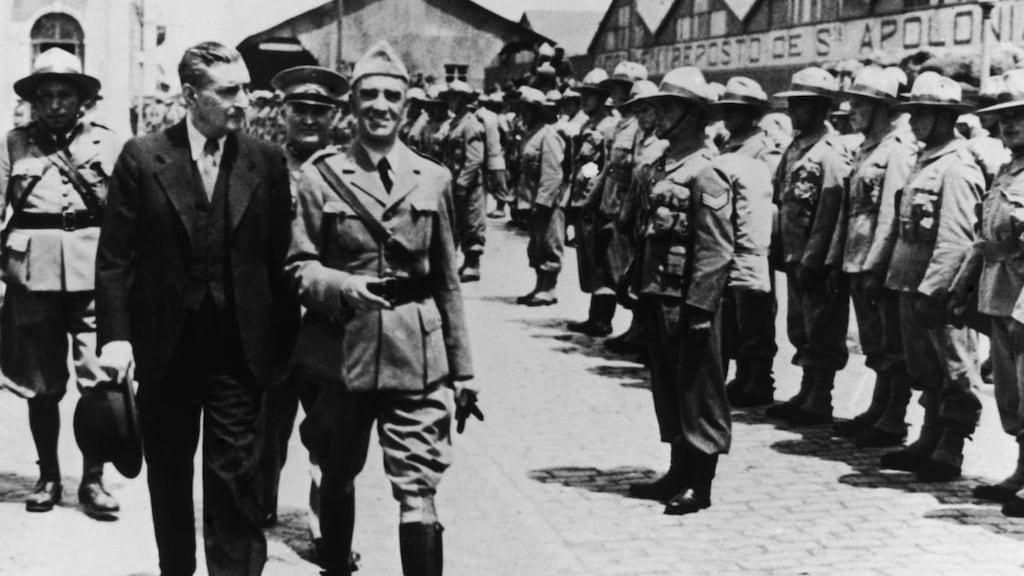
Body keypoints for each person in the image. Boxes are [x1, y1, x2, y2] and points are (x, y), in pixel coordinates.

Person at [96, 41, 294, 576]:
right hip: (166, 353)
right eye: (228, 91)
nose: (243, 101)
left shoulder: (265, 161)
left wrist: (282, 350)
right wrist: (116, 339)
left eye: (246, 88)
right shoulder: (143, 157)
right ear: (190, 95)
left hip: (238, 353)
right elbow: (115, 258)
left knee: (235, 480)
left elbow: (280, 260)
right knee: (168, 476)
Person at [287, 41, 476, 576]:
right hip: (339, 353)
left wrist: (464, 370)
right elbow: (298, 265)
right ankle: (335, 565)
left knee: (418, 486)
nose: (380, 105)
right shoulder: (321, 176)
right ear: (352, 104)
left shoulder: (433, 178)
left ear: (407, 106)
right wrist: (342, 286)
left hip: (416, 353)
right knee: (337, 469)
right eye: (368, 94)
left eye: (392, 96)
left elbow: (447, 280)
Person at [624, 66, 764, 515]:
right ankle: (677, 471)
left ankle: (699, 484)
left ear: (694, 116)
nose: (659, 116)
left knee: (699, 390)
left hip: (689, 299)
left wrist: (701, 307)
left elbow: (717, 248)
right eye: (660, 107)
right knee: (668, 386)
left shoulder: (708, 171)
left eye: (669, 108)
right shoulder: (661, 165)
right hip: (657, 292)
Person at [0, 47, 123, 518]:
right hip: (32, 275)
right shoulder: (13, 144)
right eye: (45, 96)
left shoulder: (108, 144)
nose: (54, 104)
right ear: (33, 100)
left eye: (64, 95)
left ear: (81, 99)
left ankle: (93, 479)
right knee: (41, 384)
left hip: (94, 274)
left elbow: (126, 216)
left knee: (98, 379)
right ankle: (48, 475)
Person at [255, 64, 348, 559]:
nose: (309, 119)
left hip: (327, 320)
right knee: (267, 425)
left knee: (329, 429)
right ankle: (259, 508)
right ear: (283, 113)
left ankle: (326, 528)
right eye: (300, 109)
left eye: (320, 110)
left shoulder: (348, 172)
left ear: (335, 116)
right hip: (273, 317)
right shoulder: (262, 166)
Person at [876, 71, 984, 481]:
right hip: (910, 284)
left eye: (922, 113)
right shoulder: (925, 160)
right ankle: (929, 438)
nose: (913, 120)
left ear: (945, 117)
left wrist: (934, 291)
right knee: (925, 369)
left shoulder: (957, 167)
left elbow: (957, 238)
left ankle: (950, 448)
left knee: (956, 371)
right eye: (912, 112)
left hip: (938, 293)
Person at [826, 67, 918, 447]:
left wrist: (876, 267)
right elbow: (849, 212)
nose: (852, 111)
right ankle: (878, 408)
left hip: (876, 264)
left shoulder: (897, 150)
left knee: (890, 344)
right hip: (856, 259)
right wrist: (837, 259)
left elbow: (891, 215)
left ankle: (893, 416)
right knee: (875, 343)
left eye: (861, 104)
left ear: (883, 108)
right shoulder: (867, 148)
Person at [765, 67, 853, 425]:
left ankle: (820, 397)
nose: (792, 111)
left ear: (821, 108)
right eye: (792, 104)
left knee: (823, 328)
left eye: (800, 104)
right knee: (800, 326)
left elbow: (830, 213)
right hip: (794, 254)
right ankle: (806, 390)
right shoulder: (796, 146)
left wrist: (815, 260)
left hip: (816, 259)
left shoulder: (831, 153)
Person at [963, 69, 1024, 515]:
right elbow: (987, 238)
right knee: (1012, 394)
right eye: (1005, 118)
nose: (1010, 125)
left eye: (1020, 116)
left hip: (1021, 303)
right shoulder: (1007, 171)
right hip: (1001, 295)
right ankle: (1022, 471)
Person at [714, 76, 781, 407]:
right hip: (726, 239)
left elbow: (772, 198)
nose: (729, 115)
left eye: (737, 109)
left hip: (753, 243)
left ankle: (759, 376)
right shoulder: (728, 144)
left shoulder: (764, 149)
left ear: (754, 113)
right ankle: (743, 374)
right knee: (732, 312)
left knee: (755, 310)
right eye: (726, 108)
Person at [570, 61, 647, 337]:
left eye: (620, 87)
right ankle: (599, 317)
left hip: (624, 208)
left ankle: (633, 329)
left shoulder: (634, 126)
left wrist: (586, 175)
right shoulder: (614, 126)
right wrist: (589, 194)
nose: (615, 93)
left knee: (624, 270)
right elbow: (605, 167)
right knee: (602, 263)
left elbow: (616, 168)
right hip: (606, 202)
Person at [513, 87, 566, 307]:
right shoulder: (530, 134)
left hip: (545, 202)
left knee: (549, 243)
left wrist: (543, 201)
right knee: (536, 245)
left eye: (528, 110)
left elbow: (553, 172)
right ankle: (539, 285)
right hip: (529, 199)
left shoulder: (548, 135)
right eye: (522, 110)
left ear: (538, 111)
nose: (523, 114)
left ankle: (549, 288)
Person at [439, 80, 486, 282]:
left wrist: (463, 183)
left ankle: (473, 264)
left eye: (453, 98)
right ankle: (464, 263)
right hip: (454, 182)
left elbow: (474, 159)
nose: (450, 102)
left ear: (463, 100)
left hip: (468, 185)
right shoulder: (455, 123)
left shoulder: (471, 124)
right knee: (457, 222)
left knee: (471, 222)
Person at [566, 69, 616, 250]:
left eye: (590, 95)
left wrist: (586, 174)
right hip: (581, 200)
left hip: (596, 204)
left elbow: (606, 167)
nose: (584, 99)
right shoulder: (587, 126)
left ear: (602, 98)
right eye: (583, 94)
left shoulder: (609, 128)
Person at [474, 91, 510, 219]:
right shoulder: (494, 117)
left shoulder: (483, 115)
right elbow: (506, 135)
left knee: (496, 181)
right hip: (495, 152)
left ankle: (500, 207)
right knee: (496, 181)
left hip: (491, 152)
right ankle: (499, 207)